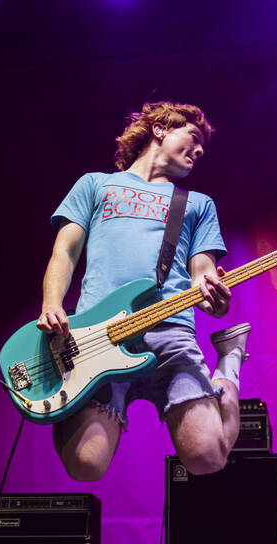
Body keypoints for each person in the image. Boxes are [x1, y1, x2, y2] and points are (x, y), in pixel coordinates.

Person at [37, 100, 248, 481]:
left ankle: (230, 362)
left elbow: (202, 276)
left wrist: (216, 301)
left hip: (171, 333)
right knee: (85, 466)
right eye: (194, 137)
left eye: (203, 147)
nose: (200, 151)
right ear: (161, 129)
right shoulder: (95, 184)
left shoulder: (197, 204)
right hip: (99, 337)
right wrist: (52, 304)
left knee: (208, 457)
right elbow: (65, 252)